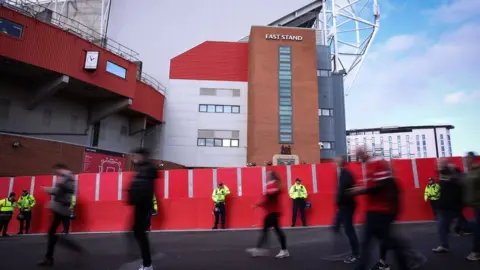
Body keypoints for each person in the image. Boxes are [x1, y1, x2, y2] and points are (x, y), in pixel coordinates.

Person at [349, 148, 409, 270]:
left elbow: (381, 187)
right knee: (370, 240)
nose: (359, 156)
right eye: (357, 154)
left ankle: (403, 259)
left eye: (360, 153)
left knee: (383, 240)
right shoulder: (366, 167)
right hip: (372, 211)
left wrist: (362, 190)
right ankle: (400, 260)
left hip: (381, 211)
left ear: (365, 152)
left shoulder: (377, 164)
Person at [38, 164, 84, 266]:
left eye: (55, 171)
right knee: (51, 233)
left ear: (60, 169)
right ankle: (49, 257)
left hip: (61, 209)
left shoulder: (66, 178)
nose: (55, 173)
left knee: (51, 233)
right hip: (61, 208)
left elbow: (59, 192)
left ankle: (51, 257)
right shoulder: (68, 178)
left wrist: (46, 189)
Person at [127, 148, 159, 270]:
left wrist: (134, 198)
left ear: (142, 156)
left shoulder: (146, 169)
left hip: (142, 205)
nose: (133, 157)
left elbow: (143, 188)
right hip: (140, 204)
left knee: (138, 232)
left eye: (135, 155)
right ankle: (147, 260)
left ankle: (147, 263)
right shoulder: (142, 168)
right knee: (137, 232)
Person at [246, 171, 289, 258]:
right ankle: (283, 250)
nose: (267, 176)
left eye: (269, 175)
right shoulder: (276, 185)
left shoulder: (272, 185)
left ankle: (259, 249)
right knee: (272, 230)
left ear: (271, 176)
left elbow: (268, 199)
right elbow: (270, 197)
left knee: (269, 230)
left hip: (272, 213)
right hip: (273, 212)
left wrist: (257, 205)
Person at [432, 158, 464, 253]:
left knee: (447, 225)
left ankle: (445, 243)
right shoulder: (442, 174)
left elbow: (458, 181)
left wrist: (453, 170)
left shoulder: (451, 173)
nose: (438, 164)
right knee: (442, 226)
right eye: (437, 163)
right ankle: (444, 245)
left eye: (440, 163)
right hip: (444, 206)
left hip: (452, 206)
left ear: (446, 163)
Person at [332, 156, 359, 264]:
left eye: (336, 161)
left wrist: (339, 200)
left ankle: (356, 254)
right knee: (337, 224)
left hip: (347, 206)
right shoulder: (342, 173)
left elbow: (346, 190)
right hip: (344, 206)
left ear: (340, 163)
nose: (334, 163)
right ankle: (338, 231)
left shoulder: (346, 174)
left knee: (349, 229)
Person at [463, 151, 480, 261]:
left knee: (478, 229)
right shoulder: (470, 172)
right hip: (475, 204)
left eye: (467, 158)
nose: (465, 160)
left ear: (472, 159)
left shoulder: (477, 171)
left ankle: (476, 252)